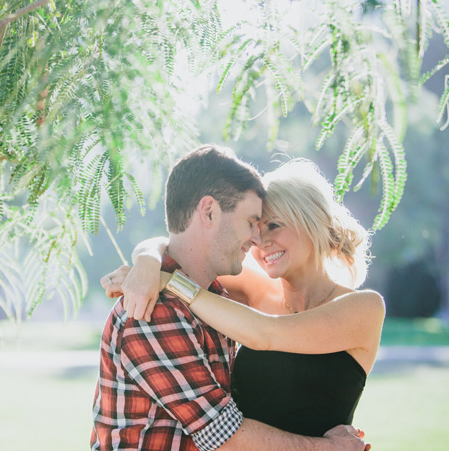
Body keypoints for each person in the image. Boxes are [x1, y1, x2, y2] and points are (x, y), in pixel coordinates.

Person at [90, 146, 370, 451]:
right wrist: (148, 260)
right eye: (253, 224)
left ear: (311, 221)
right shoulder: (166, 302)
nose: (258, 241)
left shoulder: (363, 307)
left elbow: (265, 331)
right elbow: (181, 243)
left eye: (271, 225)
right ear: (210, 211)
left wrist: (160, 273)